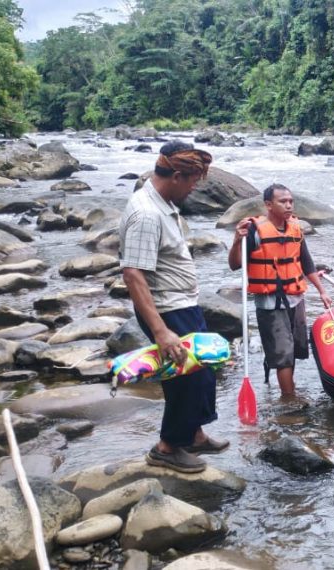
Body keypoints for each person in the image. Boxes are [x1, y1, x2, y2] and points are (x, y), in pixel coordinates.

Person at [119, 141, 227, 473]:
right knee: (187, 380)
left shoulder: (161, 201)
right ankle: (167, 447)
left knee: (202, 369)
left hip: (180, 302)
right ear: (177, 175)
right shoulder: (146, 213)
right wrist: (160, 331)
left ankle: (193, 434)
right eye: (193, 180)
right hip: (166, 308)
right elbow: (133, 274)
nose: (195, 187)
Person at [227, 183, 332, 399]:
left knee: (294, 349)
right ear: (268, 204)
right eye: (283, 202)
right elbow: (235, 264)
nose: (289, 205)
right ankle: (289, 399)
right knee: (283, 353)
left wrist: (322, 291)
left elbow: (306, 262)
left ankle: (287, 390)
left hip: (295, 298)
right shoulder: (254, 229)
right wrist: (237, 241)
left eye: (291, 201)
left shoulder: (295, 228)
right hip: (269, 302)